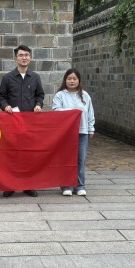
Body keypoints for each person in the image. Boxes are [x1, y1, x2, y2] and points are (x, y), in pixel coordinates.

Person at [0, 44, 45, 197]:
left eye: (27, 55)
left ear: (30, 58)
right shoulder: (8, 78)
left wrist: (38, 105)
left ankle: (28, 185)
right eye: (21, 55)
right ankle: (10, 185)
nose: (24, 58)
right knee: (12, 154)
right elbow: (1, 96)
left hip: (30, 123)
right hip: (13, 122)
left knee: (29, 155)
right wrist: (5, 106)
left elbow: (40, 95)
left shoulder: (35, 77)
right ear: (15, 58)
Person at [52, 68, 95, 196]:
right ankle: (66, 185)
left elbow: (90, 113)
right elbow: (56, 110)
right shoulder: (60, 95)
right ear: (65, 80)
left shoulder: (85, 95)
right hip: (66, 133)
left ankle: (80, 185)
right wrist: (73, 112)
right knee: (67, 159)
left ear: (79, 80)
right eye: (69, 79)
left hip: (82, 132)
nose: (72, 81)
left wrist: (91, 129)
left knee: (81, 159)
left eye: (74, 79)